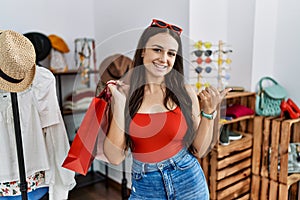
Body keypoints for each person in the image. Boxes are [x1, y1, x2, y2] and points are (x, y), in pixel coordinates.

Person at [104, 19, 231, 200]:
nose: (164, 59)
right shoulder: (124, 94)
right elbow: (115, 157)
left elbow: (199, 150)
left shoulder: (185, 92)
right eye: (157, 49)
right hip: (145, 187)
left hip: (188, 180)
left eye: (171, 53)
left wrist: (209, 113)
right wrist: (118, 103)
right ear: (142, 52)